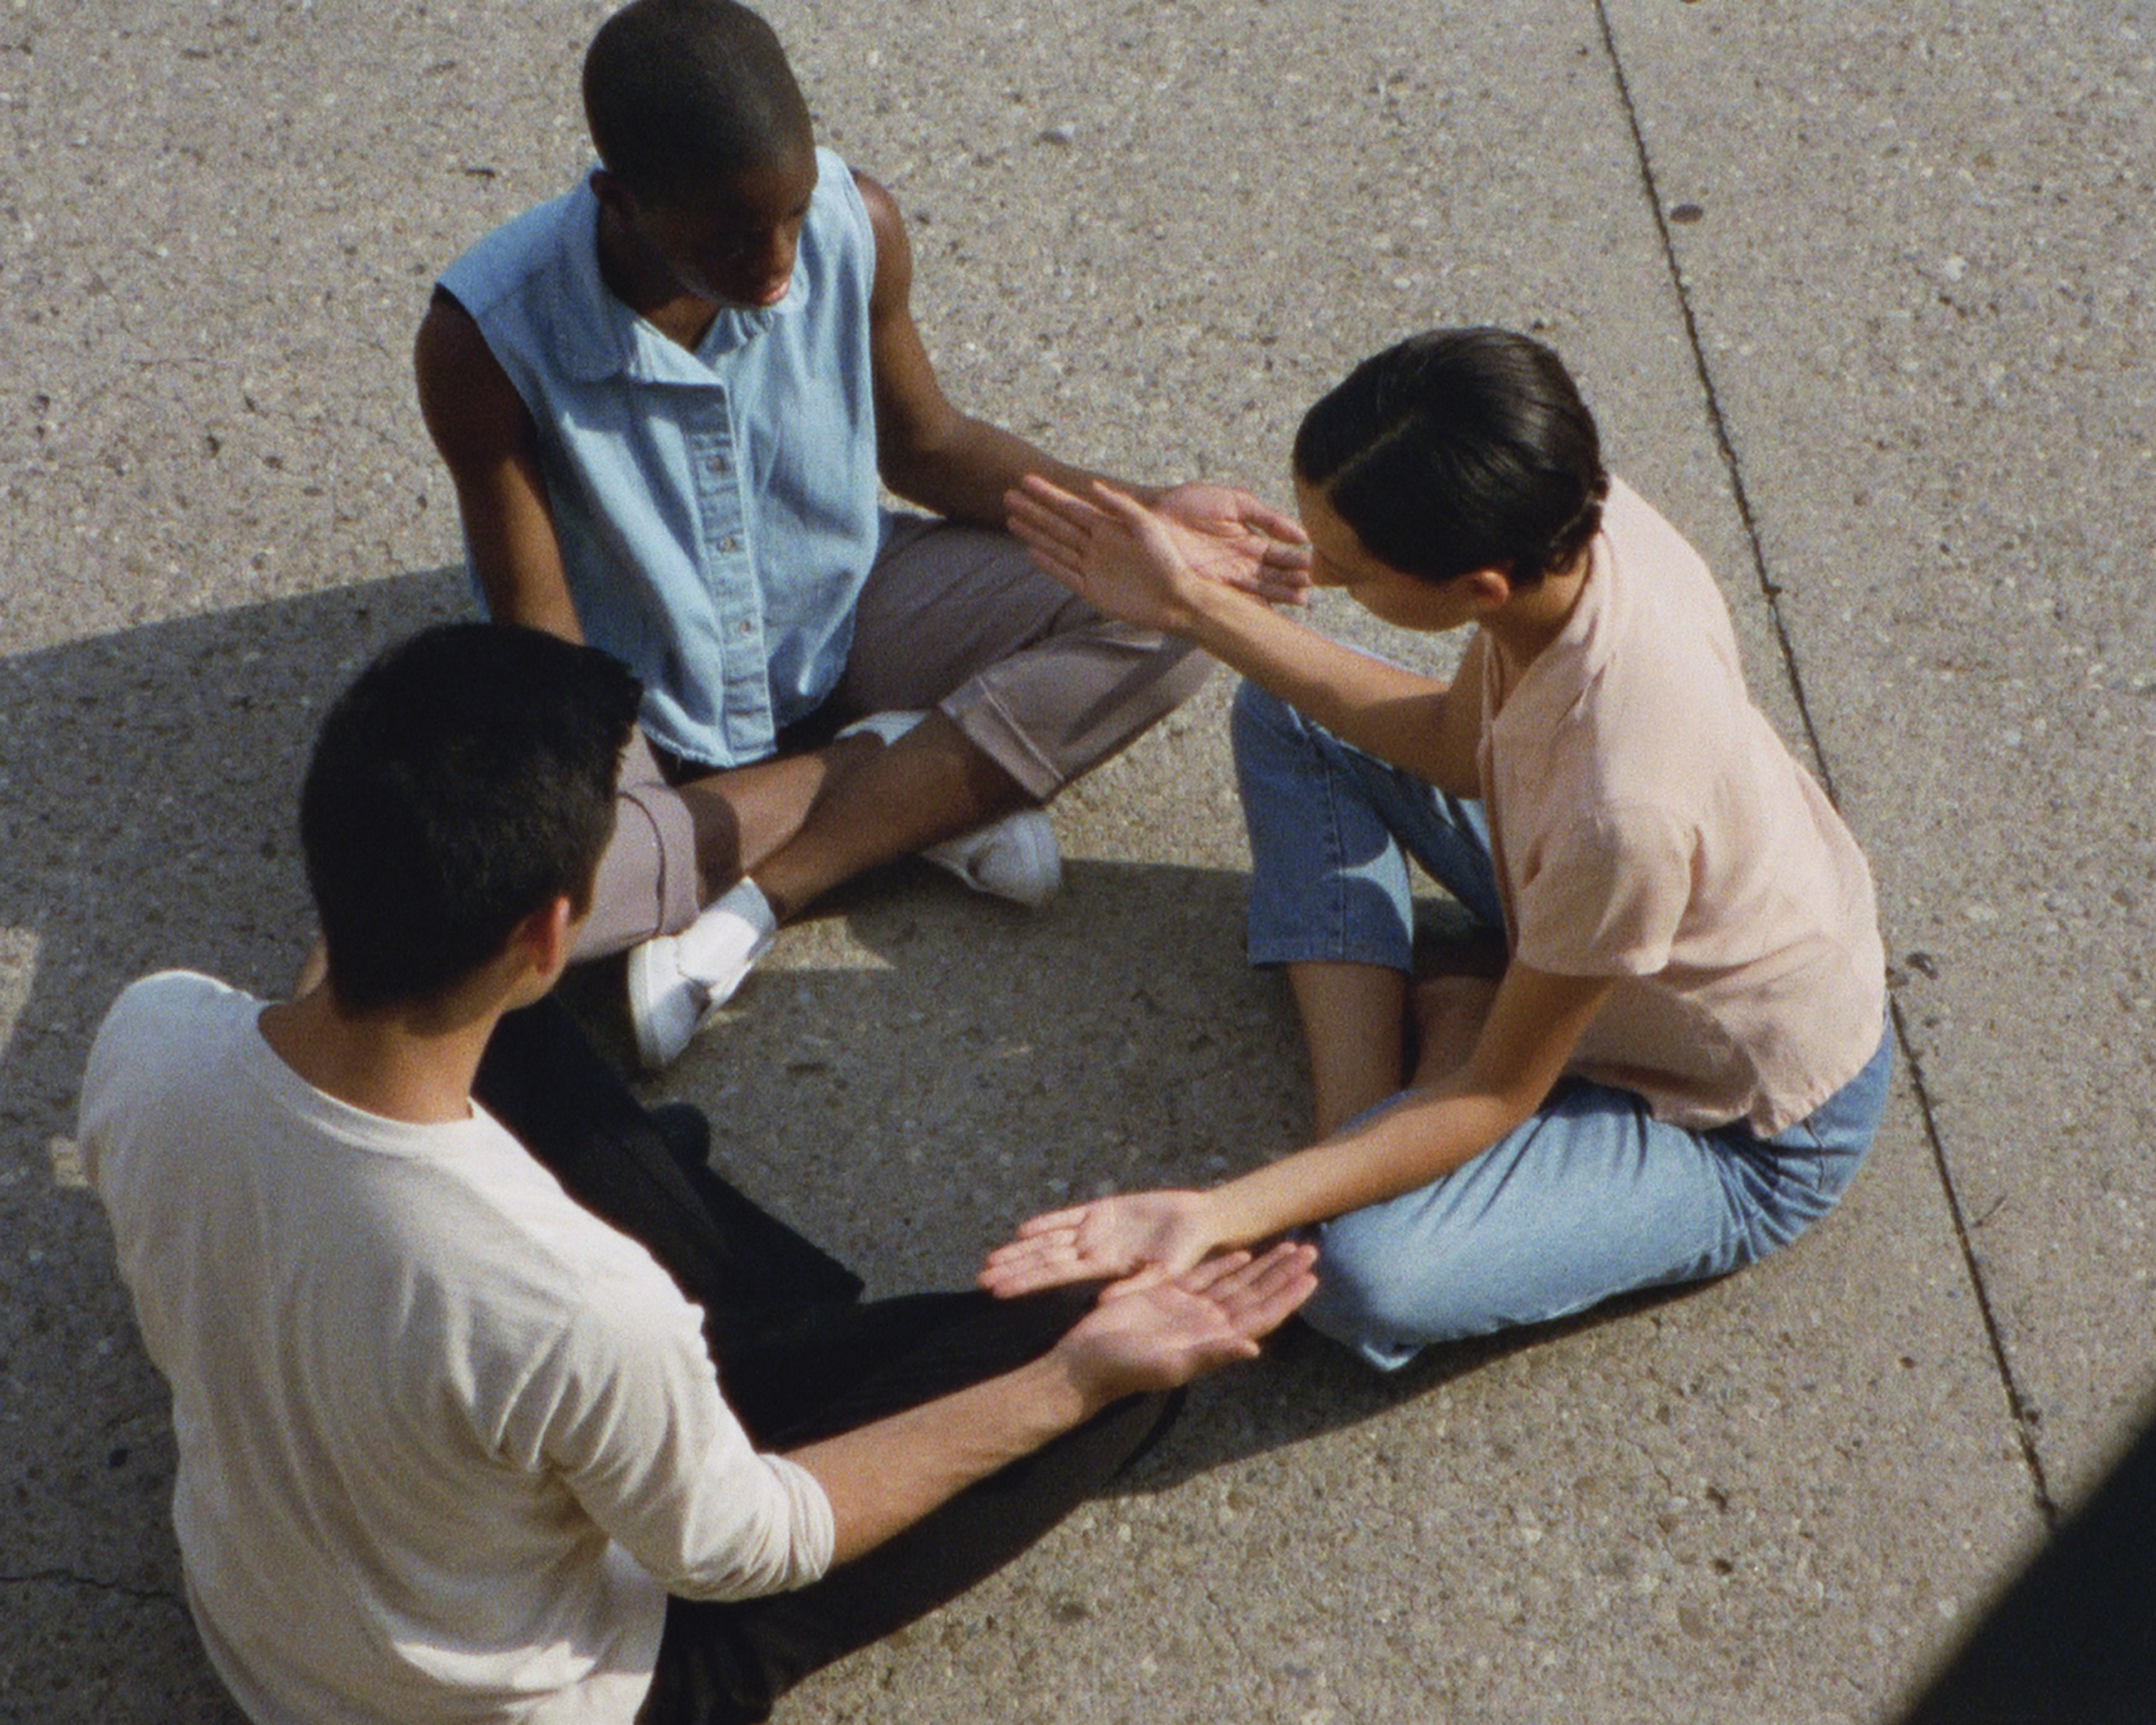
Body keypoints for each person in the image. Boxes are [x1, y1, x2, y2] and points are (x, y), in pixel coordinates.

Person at [80, 622, 1315, 1724]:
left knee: (497, 1038)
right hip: (541, 1692)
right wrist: (1075, 1379)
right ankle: (791, 1347)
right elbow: (747, 1549)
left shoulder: (150, 1035)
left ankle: (736, 1331)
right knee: (1114, 1350)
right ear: (552, 931)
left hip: (261, 1630)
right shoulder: (574, 1299)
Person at [414, 0, 1310, 1069]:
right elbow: (545, 658)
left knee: (1172, 612)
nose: (779, 258)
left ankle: (767, 892)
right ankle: (904, 773)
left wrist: (1152, 512)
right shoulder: (483, 340)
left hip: (842, 616)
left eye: (791, 210)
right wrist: (577, 820)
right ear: (622, 199)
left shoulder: (858, 223)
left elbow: (927, 448)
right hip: (637, 713)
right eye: (733, 234)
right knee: (493, 905)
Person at [984, 327, 1892, 1369]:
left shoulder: (1619, 807)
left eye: (1351, 568)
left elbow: (1492, 1094)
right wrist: (1194, 601)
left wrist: (1213, 1211)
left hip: (1738, 1120)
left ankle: (1418, 1077)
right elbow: (1457, 748)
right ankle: (1372, 1119)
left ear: (1478, 587)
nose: (1315, 570)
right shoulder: (1575, 517)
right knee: (1289, 712)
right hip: (1595, 897)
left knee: (1359, 1277)